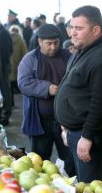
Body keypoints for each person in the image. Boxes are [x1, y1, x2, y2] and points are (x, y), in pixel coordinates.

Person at [55, 5, 102, 182]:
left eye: (79, 28)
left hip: (92, 138)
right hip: (76, 131)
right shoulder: (87, 47)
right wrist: (66, 126)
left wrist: (86, 136)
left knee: (91, 189)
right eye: (71, 27)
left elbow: (101, 103)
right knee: (83, 185)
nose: (72, 33)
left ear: (96, 30)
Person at [18, 24, 75, 176]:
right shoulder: (30, 60)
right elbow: (24, 83)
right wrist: (48, 88)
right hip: (40, 120)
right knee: (40, 161)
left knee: (70, 159)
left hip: (65, 120)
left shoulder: (68, 57)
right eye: (49, 43)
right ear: (40, 42)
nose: (53, 47)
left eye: (56, 42)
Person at [9, 25, 28, 105]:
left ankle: (11, 103)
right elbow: (25, 53)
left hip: (9, 66)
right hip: (18, 66)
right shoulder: (21, 40)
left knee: (9, 87)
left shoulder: (7, 39)